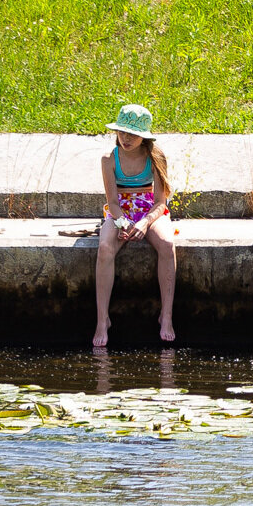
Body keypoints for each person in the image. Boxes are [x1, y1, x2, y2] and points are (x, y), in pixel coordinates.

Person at [93, 103, 177, 348]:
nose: (126, 138)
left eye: (132, 134)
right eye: (122, 132)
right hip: (120, 210)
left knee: (167, 243)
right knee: (105, 248)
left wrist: (144, 222)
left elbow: (161, 202)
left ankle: (167, 315)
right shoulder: (110, 158)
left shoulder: (155, 157)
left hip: (149, 210)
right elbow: (112, 201)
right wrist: (122, 223)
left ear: (144, 137)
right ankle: (102, 319)